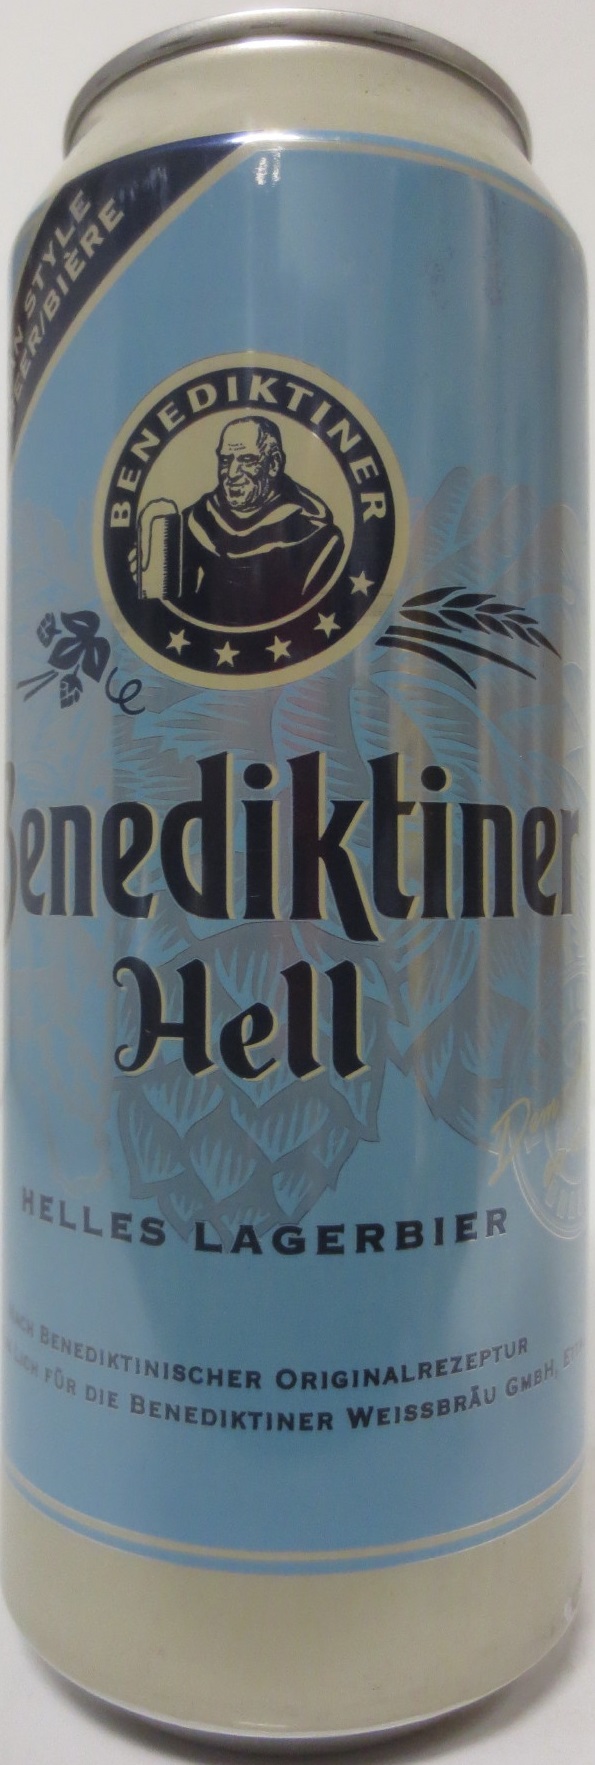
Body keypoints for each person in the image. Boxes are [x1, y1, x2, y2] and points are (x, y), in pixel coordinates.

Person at [175, 415, 344, 624]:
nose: (232, 473)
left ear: (273, 463)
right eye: (225, 460)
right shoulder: (194, 522)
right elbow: (174, 614)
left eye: (246, 460)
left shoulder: (317, 539)